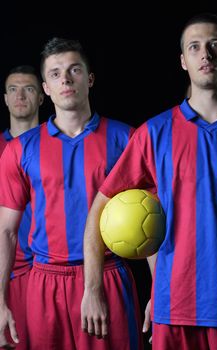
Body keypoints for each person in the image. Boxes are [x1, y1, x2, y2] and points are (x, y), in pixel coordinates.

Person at [81, 13, 217, 350]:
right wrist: (92, 288)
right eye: (194, 47)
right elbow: (101, 206)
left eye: (215, 45)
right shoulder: (155, 132)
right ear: (183, 61)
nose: (205, 54)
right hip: (174, 308)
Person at [0, 37, 144, 350]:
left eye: (74, 70)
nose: (65, 78)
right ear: (46, 89)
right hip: (44, 281)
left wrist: (160, 295)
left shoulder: (126, 138)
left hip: (107, 276)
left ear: (89, 79)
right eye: (54, 74)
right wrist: (0, 302)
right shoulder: (20, 149)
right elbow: (7, 233)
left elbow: (152, 223)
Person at [0, 65, 44, 349]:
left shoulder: (60, 144)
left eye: (28, 89)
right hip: (7, 273)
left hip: (48, 271)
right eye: (13, 89)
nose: (20, 96)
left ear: (42, 96)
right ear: (4, 98)